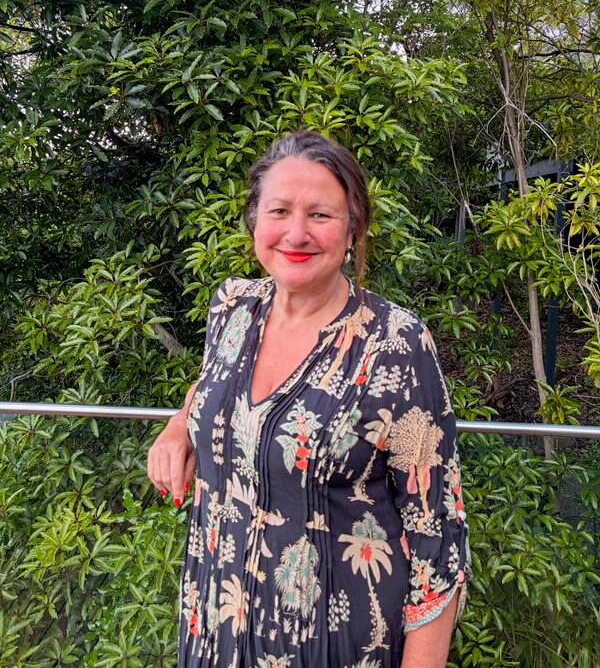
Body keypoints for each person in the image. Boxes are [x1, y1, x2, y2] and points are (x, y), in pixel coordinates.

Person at [147, 131, 470, 668]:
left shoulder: (395, 342)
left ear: (352, 229)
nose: (296, 233)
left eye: (320, 215)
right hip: (213, 626)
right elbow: (212, 384)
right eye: (279, 211)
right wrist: (179, 427)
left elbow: (438, 537)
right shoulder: (232, 306)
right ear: (255, 220)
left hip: (332, 645)